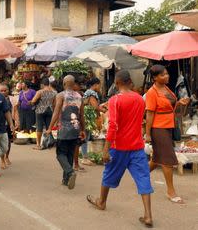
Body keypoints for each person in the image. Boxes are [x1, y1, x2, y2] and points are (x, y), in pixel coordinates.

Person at [86, 71, 154, 228]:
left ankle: (101, 202)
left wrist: (105, 149)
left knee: (108, 174)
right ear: (129, 81)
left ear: (116, 84)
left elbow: (113, 125)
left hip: (119, 146)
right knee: (143, 178)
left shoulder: (115, 100)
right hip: (137, 146)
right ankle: (148, 215)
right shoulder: (139, 99)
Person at [145, 65, 189, 204]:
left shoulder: (166, 88)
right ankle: (171, 191)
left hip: (168, 126)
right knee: (167, 160)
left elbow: (170, 106)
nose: (167, 76)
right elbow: (150, 114)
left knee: (157, 158)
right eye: (163, 75)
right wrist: (148, 134)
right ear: (155, 78)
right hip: (158, 128)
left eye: (167, 74)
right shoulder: (152, 92)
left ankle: (140, 175)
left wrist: (179, 103)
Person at [47, 75, 84, 189]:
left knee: (60, 154)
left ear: (63, 84)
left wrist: (49, 127)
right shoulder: (79, 96)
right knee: (70, 154)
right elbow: (82, 115)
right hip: (76, 128)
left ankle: (70, 172)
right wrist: (83, 129)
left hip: (64, 129)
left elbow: (56, 112)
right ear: (73, 84)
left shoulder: (61, 95)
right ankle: (66, 179)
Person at [81, 77, 107, 166]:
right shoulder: (92, 93)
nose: (100, 87)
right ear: (95, 85)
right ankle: (85, 158)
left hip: (86, 116)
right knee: (85, 137)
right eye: (99, 85)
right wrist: (103, 110)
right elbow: (95, 107)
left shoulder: (87, 92)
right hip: (88, 118)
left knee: (87, 136)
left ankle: (86, 156)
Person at [30, 77, 57, 150]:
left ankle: (38, 145)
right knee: (49, 127)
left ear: (42, 84)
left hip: (40, 110)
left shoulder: (40, 92)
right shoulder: (54, 92)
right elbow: (54, 104)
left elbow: (33, 101)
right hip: (50, 110)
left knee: (39, 127)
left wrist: (31, 102)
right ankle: (48, 142)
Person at [0, 83, 12, 173]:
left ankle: (5, 157)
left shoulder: (9, 99)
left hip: (8, 124)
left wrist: (14, 122)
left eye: (5, 90)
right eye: (2, 91)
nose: (4, 92)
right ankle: (1, 160)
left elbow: (11, 111)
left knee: (7, 144)